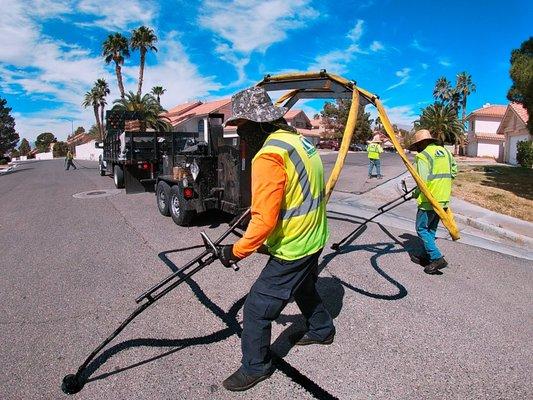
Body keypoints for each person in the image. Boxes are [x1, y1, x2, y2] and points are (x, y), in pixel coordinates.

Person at [219, 87, 335, 392]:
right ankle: (322, 329)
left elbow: (264, 221)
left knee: (257, 308)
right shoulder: (300, 143)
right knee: (304, 286)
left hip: (294, 245)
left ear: (258, 123)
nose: (241, 137)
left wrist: (235, 251)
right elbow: (300, 193)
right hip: (315, 236)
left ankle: (256, 366)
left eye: (242, 128)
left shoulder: (268, 155)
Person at [408, 129, 457, 274]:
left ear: (421, 143)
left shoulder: (423, 156)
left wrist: (415, 193)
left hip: (428, 200)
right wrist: (443, 183)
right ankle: (426, 255)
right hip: (443, 197)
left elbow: (421, 182)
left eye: (417, 146)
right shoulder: (446, 152)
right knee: (431, 229)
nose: (417, 149)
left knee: (422, 229)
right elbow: (454, 171)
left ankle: (436, 258)